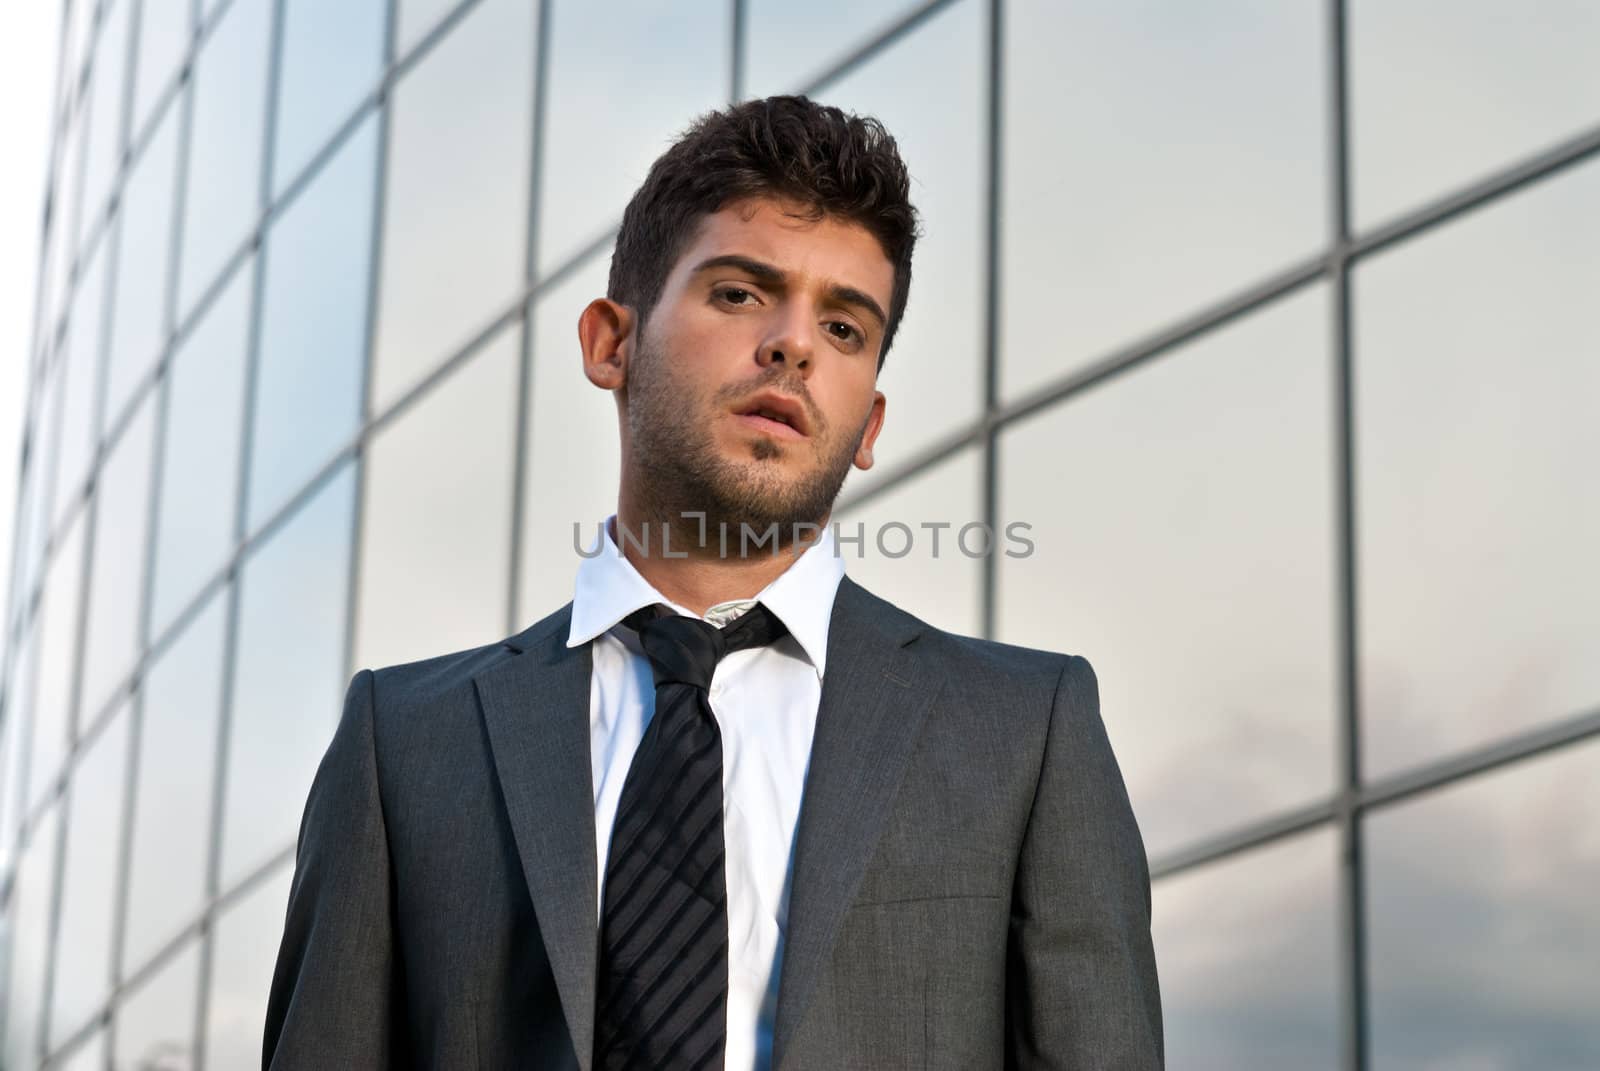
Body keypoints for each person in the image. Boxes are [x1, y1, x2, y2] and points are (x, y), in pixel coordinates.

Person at [263, 95, 1162, 1070]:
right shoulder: (401, 743)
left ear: (868, 425)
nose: (794, 345)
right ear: (611, 343)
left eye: (846, 328)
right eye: (739, 294)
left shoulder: (1025, 730)